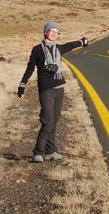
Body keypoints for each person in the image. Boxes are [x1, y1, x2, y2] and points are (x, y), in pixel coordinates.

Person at [17, 22, 89, 163]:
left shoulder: (59, 48)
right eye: (52, 31)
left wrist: (82, 42)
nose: (54, 34)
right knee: (47, 120)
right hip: (46, 88)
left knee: (54, 120)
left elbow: (71, 45)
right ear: (45, 32)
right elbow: (30, 67)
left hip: (59, 86)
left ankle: (51, 151)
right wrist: (22, 85)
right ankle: (38, 152)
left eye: (57, 32)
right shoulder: (37, 49)